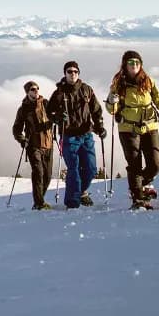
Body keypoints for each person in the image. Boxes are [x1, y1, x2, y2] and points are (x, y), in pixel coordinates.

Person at [105, 50, 159, 210]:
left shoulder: (148, 81)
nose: (134, 65)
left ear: (140, 64)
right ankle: (138, 198)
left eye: (136, 62)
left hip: (149, 125)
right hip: (128, 128)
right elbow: (111, 109)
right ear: (125, 65)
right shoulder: (118, 84)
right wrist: (111, 101)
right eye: (130, 62)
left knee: (156, 162)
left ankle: (140, 185)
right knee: (134, 163)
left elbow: (158, 97)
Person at [47, 60, 105, 209]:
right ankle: (73, 202)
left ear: (78, 73)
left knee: (91, 169)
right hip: (69, 136)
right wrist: (58, 117)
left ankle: (81, 192)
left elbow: (96, 110)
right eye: (69, 71)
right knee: (74, 168)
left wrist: (99, 127)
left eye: (75, 71)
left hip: (86, 134)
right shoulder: (59, 93)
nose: (73, 74)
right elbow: (49, 112)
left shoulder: (86, 90)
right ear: (65, 73)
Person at [11, 80, 54, 210]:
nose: (36, 91)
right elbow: (16, 128)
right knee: (38, 173)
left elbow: (55, 116)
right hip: (33, 145)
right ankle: (39, 203)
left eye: (37, 89)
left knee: (47, 176)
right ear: (27, 92)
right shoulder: (23, 109)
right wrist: (22, 140)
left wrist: (58, 118)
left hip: (48, 144)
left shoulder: (46, 104)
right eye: (32, 89)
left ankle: (40, 199)